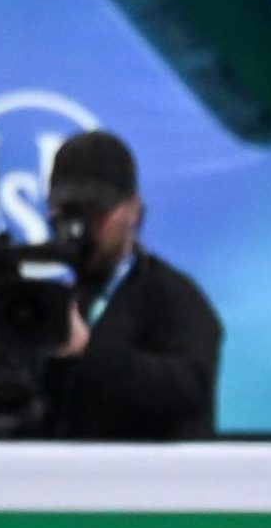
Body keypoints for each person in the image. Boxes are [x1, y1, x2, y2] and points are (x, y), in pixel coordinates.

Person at [38, 130, 225, 441]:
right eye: (70, 213)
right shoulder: (53, 300)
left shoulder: (173, 296)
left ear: (133, 211)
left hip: (149, 483)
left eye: (97, 213)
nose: (82, 228)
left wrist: (89, 350)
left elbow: (189, 388)